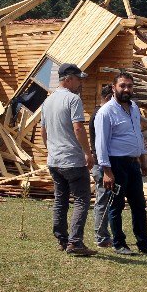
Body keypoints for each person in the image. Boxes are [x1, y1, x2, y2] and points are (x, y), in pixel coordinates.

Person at [94, 72, 147, 256]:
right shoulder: (106, 112)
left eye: (129, 86)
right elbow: (101, 144)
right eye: (122, 86)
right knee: (116, 205)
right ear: (114, 87)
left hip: (133, 164)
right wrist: (107, 171)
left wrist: (143, 159)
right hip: (116, 164)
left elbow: (138, 135)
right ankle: (119, 243)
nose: (126, 89)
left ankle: (144, 244)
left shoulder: (133, 108)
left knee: (139, 205)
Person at [40, 63, 97, 256]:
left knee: (61, 199)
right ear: (68, 79)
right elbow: (78, 128)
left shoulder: (47, 102)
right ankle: (76, 242)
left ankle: (62, 239)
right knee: (82, 199)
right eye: (79, 79)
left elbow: (43, 131)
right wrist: (88, 153)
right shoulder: (73, 100)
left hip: (54, 160)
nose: (81, 83)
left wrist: (51, 150)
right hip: (72, 159)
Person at [90, 84, 115, 248]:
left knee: (105, 200)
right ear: (107, 98)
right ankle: (101, 236)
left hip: (102, 163)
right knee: (103, 200)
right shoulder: (101, 114)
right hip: (101, 164)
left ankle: (104, 234)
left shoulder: (99, 113)